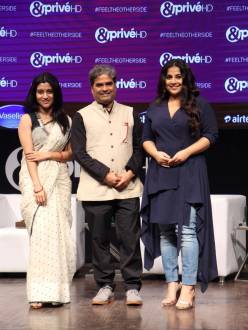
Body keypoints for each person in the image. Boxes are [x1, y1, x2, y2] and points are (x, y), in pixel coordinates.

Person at [141, 59, 218, 310]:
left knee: (187, 231)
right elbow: (146, 139)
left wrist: (186, 152)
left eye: (178, 76)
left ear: (186, 79)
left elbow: (211, 136)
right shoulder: (154, 108)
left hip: (189, 171)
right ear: (163, 80)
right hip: (161, 173)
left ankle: (189, 286)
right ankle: (171, 283)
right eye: (169, 77)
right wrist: (154, 153)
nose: (173, 81)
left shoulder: (200, 105)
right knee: (165, 231)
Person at [71, 64, 144, 305]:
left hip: (128, 186)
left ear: (115, 85)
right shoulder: (81, 116)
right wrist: (106, 175)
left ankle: (133, 286)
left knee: (129, 238)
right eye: (99, 85)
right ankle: (104, 285)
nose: (105, 88)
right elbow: (80, 153)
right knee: (99, 240)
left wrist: (129, 173)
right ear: (92, 89)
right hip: (96, 188)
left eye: (109, 84)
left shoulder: (131, 113)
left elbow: (139, 149)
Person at [18, 72, 76, 309]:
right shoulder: (27, 120)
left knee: (60, 234)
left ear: (55, 93)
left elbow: (70, 153)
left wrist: (50, 154)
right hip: (37, 179)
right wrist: (37, 186)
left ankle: (58, 291)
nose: (45, 96)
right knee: (42, 235)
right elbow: (30, 156)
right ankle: (39, 292)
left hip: (60, 178)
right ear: (35, 93)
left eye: (49, 91)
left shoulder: (66, 120)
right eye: (41, 91)